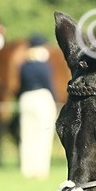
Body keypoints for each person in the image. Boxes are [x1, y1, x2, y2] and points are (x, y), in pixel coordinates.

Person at [17, 33, 57, 179]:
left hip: (26, 98)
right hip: (42, 98)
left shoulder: (23, 66)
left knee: (27, 135)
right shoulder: (45, 67)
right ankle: (40, 169)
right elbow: (49, 86)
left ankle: (27, 169)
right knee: (43, 136)